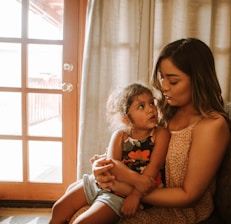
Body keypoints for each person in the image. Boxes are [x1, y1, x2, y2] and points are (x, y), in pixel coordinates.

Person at [92, 38, 230, 223]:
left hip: (181, 213)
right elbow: (134, 152)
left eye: (173, 81)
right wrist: (102, 168)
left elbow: (189, 196)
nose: (163, 86)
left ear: (197, 80)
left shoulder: (212, 126)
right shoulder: (165, 113)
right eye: (162, 77)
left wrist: (129, 191)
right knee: (72, 206)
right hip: (142, 196)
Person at [49, 83, 170, 224]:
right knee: (58, 209)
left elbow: (154, 166)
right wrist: (137, 180)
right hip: (102, 183)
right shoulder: (120, 135)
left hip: (121, 194)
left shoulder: (160, 134)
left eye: (151, 103)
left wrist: (136, 195)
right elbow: (112, 165)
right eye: (141, 106)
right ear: (126, 118)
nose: (151, 109)